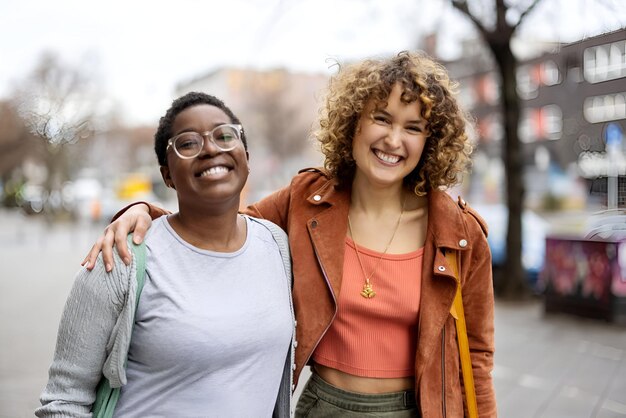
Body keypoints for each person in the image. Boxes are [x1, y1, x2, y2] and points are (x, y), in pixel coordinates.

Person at [84, 51, 497, 417]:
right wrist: (145, 211)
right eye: (381, 118)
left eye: (413, 127)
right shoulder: (305, 200)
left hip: (419, 409)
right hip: (323, 407)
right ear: (354, 123)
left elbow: (475, 357)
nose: (393, 139)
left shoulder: (460, 232)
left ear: (430, 140)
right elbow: (220, 227)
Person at [37, 92, 295, 417]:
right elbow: (64, 401)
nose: (211, 148)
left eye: (224, 135)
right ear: (167, 174)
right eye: (188, 143)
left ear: (246, 154)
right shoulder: (119, 259)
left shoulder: (276, 245)